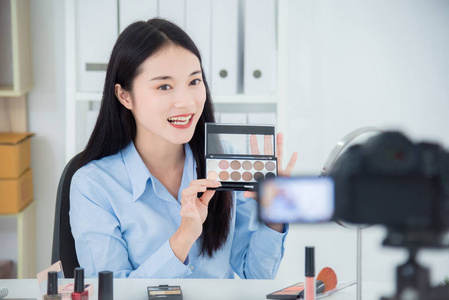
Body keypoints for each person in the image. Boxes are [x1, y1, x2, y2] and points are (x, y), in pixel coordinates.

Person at [69, 18, 298, 279]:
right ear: (125, 96)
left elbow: (254, 277)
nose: (186, 102)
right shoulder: (94, 185)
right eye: (164, 86)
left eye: (194, 82)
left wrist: (274, 214)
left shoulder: (224, 161)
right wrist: (184, 237)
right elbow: (110, 293)